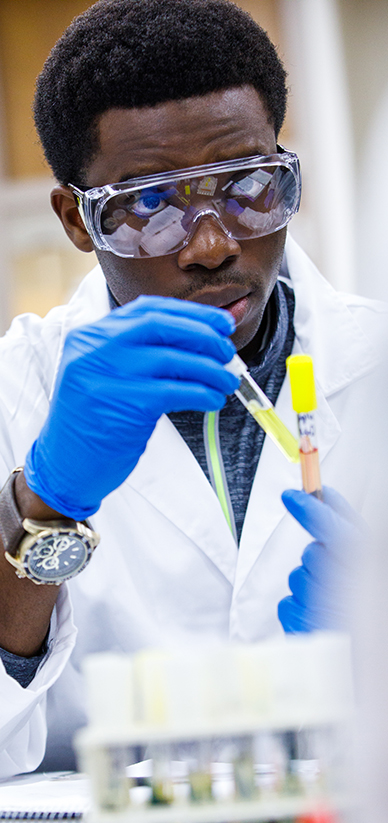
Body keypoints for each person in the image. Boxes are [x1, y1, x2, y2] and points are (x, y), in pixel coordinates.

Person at [0, 0, 384, 775]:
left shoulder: (374, 363)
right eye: (147, 203)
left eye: (249, 184)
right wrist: (40, 507)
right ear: (77, 220)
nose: (212, 245)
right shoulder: (17, 391)